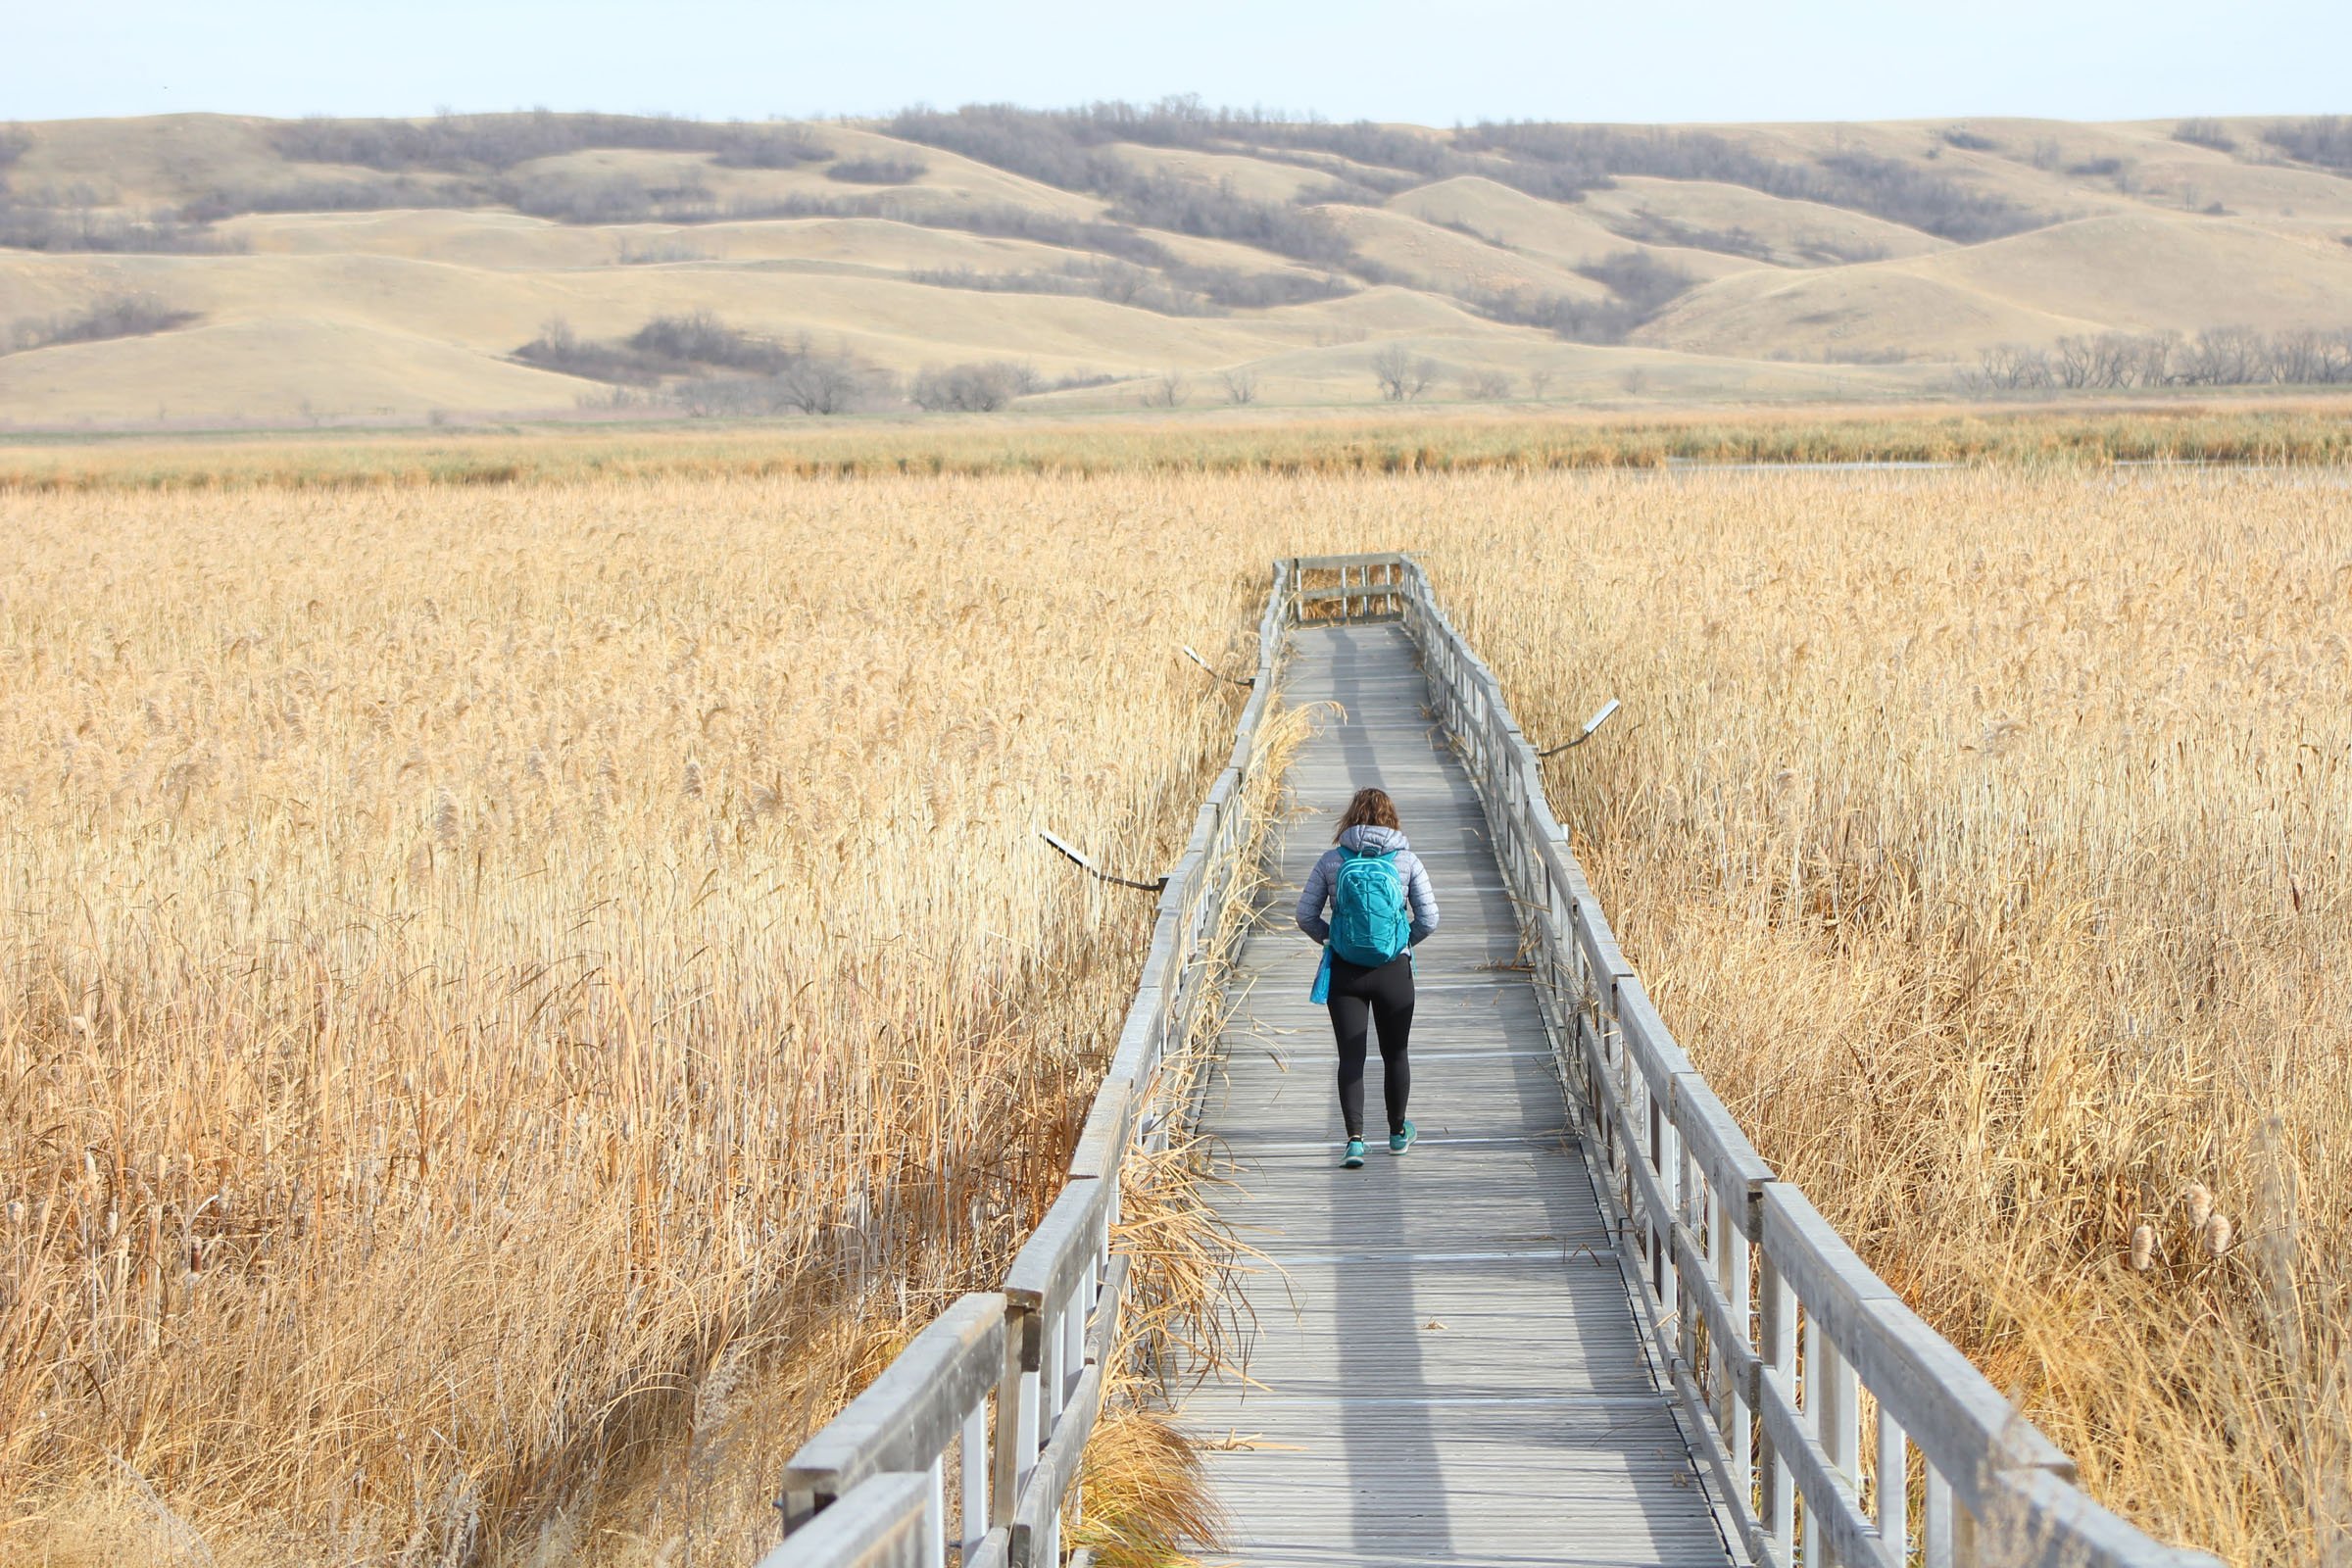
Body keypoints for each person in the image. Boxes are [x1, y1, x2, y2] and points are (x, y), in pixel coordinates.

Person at [1295, 786, 1440, 1168]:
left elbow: (1304, 915)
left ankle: (1355, 1142)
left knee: (1351, 1058)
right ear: (1391, 820)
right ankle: (1396, 1133)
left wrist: (1333, 937)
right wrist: (1403, 941)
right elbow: (1430, 918)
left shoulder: (1331, 861)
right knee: (1397, 1053)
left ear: (1350, 818)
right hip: (1394, 970)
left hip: (1346, 971)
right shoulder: (1407, 861)